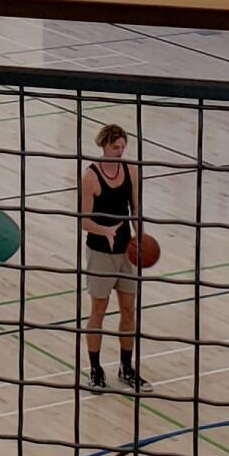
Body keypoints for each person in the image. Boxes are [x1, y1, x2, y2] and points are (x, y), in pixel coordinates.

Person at [79, 122, 143, 390]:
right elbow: (84, 220)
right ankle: (95, 370)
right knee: (98, 311)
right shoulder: (90, 177)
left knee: (129, 309)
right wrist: (104, 229)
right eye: (116, 147)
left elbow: (137, 208)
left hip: (126, 251)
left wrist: (141, 237)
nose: (121, 151)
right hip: (100, 252)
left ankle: (126, 368)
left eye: (123, 146)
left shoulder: (131, 171)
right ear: (104, 146)